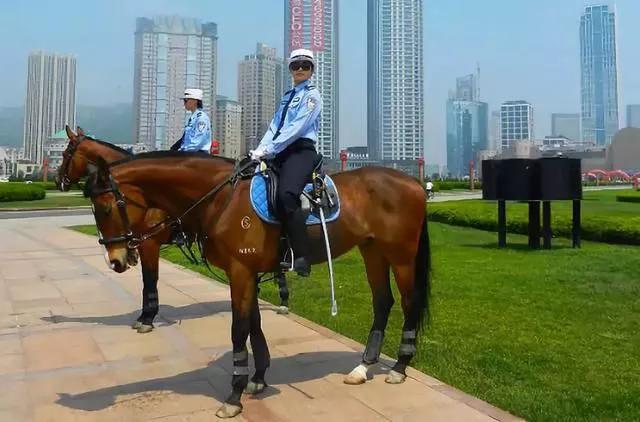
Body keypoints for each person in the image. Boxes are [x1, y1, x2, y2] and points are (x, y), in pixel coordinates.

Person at [250, 48, 323, 277]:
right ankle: (275, 246)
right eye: (295, 65)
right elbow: (274, 127)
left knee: (286, 194)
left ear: (312, 70)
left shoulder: (312, 96)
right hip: (279, 152)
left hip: (301, 151)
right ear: (290, 69)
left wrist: (269, 149)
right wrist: (260, 150)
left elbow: (296, 128)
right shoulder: (286, 96)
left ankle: (301, 255)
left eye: (305, 65)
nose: (300, 69)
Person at [170, 89, 212, 153]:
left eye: (186, 100)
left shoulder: (201, 118)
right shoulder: (193, 118)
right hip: (189, 153)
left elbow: (198, 141)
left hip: (197, 155)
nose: (184, 103)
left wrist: (183, 151)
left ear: (195, 101)